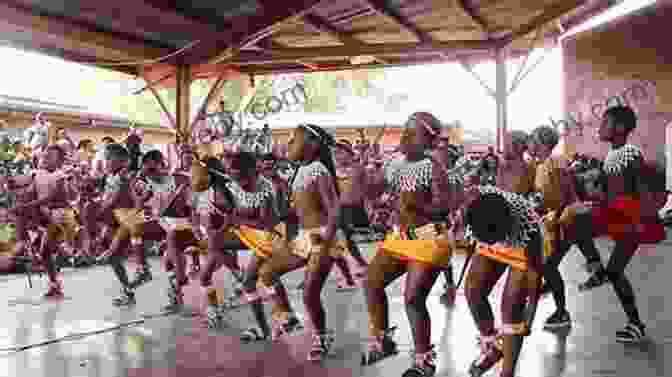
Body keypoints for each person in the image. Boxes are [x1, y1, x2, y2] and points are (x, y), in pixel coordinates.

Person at [361, 112, 462, 377]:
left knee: (413, 299)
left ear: (424, 139)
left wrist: (420, 206)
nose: (405, 137)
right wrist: (365, 171)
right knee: (371, 282)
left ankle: (424, 361)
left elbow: (444, 207)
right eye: (404, 132)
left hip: (429, 235)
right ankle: (383, 339)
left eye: (410, 133)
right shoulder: (395, 164)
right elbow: (373, 189)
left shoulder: (434, 167)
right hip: (401, 237)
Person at [462, 186, 543, 377]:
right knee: (473, 291)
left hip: (520, 243)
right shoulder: (473, 204)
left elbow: (534, 281)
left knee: (512, 307)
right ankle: (493, 345)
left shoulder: (529, 231)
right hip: (490, 227)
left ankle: (507, 372)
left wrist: (528, 320)